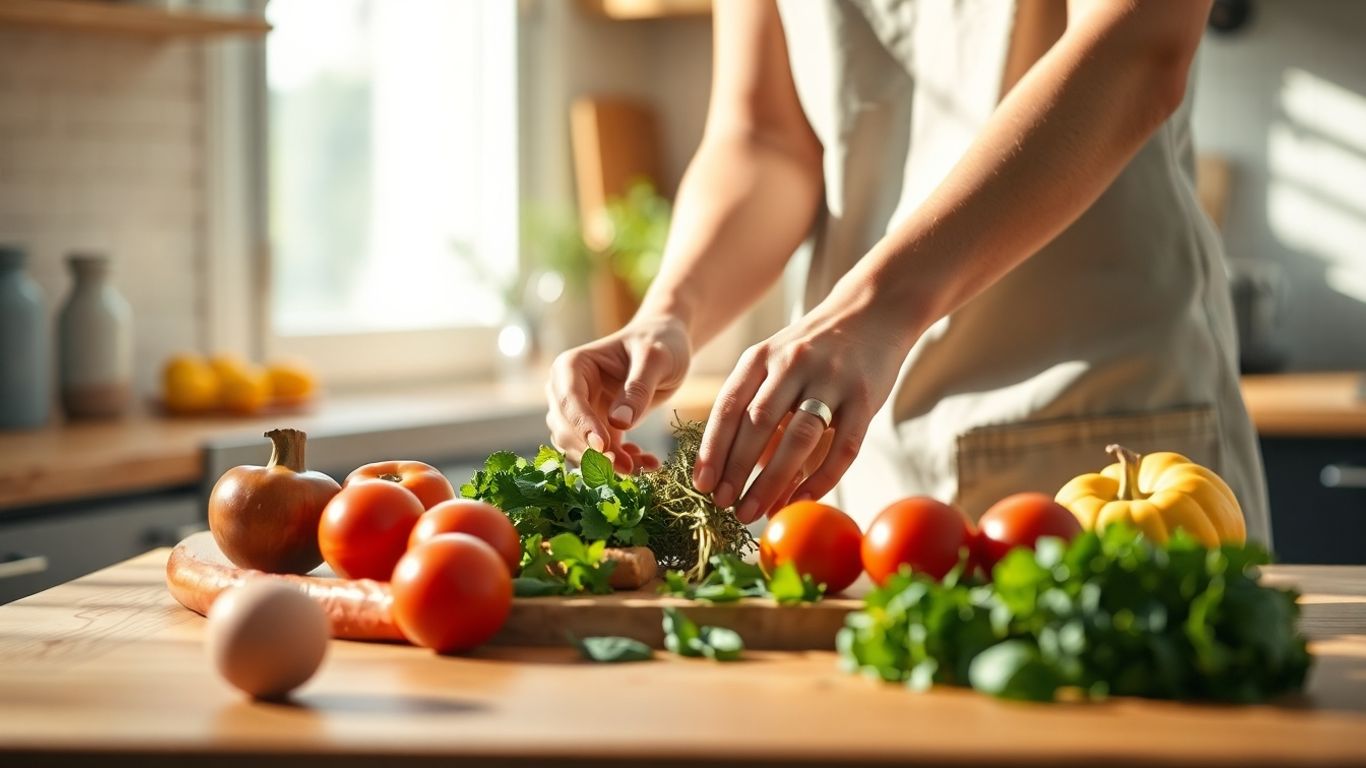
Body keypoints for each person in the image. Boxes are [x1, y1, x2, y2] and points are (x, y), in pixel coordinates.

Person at [545, 0, 1271, 543]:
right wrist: (670, 311)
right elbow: (764, 135)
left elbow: (1137, 51)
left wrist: (869, 312)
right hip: (860, 465)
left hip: (1102, 429)